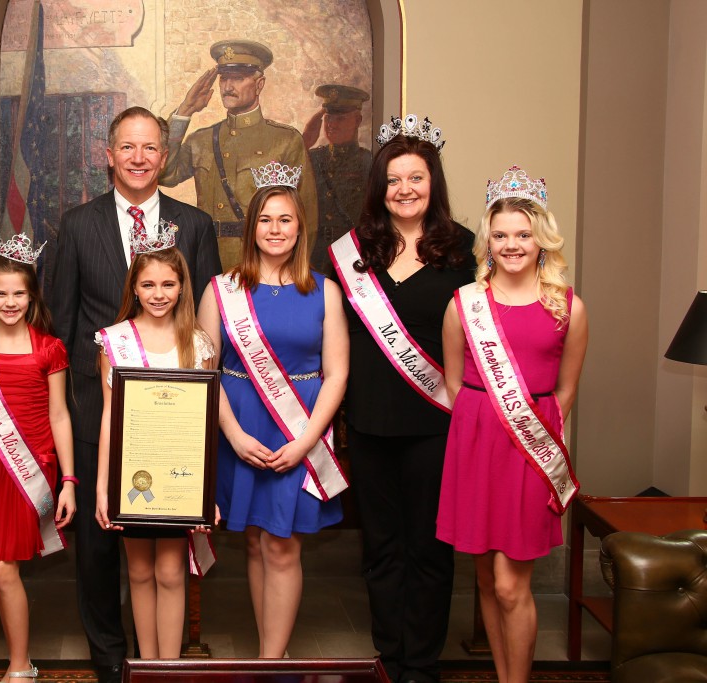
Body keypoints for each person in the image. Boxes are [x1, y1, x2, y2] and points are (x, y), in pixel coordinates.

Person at [48, 106, 221, 683]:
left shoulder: (194, 226)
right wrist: (78, 416)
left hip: (173, 429)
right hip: (101, 416)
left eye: (150, 148)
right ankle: (111, 665)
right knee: (100, 555)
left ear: (165, 156)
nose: (139, 158)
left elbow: (206, 328)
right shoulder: (77, 225)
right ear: (109, 154)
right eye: (128, 147)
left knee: (164, 561)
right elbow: (63, 327)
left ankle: (163, 668)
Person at [329, 115, 473, 683]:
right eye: (393, 180)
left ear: (432, 183)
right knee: (382, 549)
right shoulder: (352, 249)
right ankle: (390, 656)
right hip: (369, 424)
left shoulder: (463, 249)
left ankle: (423, 662)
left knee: (432, 551)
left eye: (416, 177)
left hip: (438, 423)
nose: (405, 189)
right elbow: (332, 336)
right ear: (379, 187)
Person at [437, 166, 587, 683]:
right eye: (500, 235)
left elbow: (566, 390)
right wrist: (487, 420)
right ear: (488, 241)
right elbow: (454, 385)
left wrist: (531, 429)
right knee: (483, 578)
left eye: (523, 234)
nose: (512, 245)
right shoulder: (465, 304)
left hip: (529, 451)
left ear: (541, 239)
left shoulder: (569, 307)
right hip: (476, 444)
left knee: (509, 585)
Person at [198, 166, 349, 658]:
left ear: (301, 227)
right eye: (265, 219)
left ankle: (267, 662)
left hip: (300, 427)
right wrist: (235, 437)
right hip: (239, 425)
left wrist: (306, 442)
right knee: (257, 541)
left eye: (286, 219)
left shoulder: (324, 290)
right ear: (251, 228)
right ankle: (273, 652)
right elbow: (208, 373)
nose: (276, 229)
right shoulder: (221, 291)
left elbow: (338, 375)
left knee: (283, 543)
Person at [0, 235, 76, 682]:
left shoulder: (49, 348)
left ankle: (21, 666)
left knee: (2, 568)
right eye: (0, 293)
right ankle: (20, 663)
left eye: (18, 293)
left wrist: (68, 480)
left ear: (32, 295)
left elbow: (59, 415)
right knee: (0, 568)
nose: (9, 301)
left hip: (32, 467)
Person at [94, 237, 216, 660]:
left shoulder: (197, 344)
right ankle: (145, 667)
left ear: (182, 286)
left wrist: (207, 493)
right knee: (140, 571)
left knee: (170, 571)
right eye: (148, 285)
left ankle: (170, 668)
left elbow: (204, 424)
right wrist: (102, 489)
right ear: (134, 288)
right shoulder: (113, 341)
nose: (158, 294)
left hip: (178, 481)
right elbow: (110, 416)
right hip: (132, 479)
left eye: (168, 284)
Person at [160, 39, 318, 271]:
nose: (228, 86)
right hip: (205, 260)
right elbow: (164, 174)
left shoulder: (285, 140)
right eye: (224, 78)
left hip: (260, 264)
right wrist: (185, 110)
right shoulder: (201, 140)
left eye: (239, 78)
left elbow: (306, 216)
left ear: (259, 84)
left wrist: (291, 271)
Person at [302, 84, 372, 274]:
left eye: (340, 118)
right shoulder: (311, 158)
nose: (332, 124)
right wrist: (304, 142)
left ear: (357, 120)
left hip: (354, 256)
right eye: (328, 118)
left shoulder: (370, 163)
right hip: (315, 257)